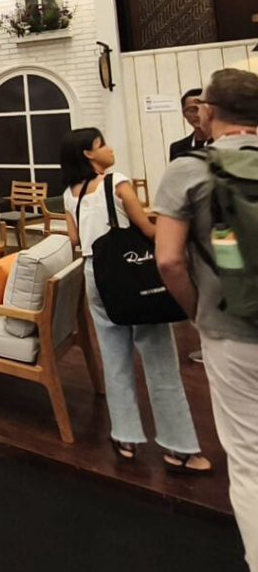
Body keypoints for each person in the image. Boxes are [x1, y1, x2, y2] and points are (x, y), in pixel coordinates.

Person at [155, 68, 258, 572]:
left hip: (231, 328)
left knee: (250, 459)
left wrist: (198, 314)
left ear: (208, 112)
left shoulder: (188, 170)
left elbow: (169, 260)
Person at [60, 127, 210, 472]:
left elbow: (74, 239)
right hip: (132, 274)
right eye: (102, 145)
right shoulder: (117, 182)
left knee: (114, 359)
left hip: (95, 275)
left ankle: (125, 437)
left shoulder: (69, 193)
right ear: (89, 154)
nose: (110, 149)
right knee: (159, 359)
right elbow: (147, 229)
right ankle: (180, 447)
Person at [170, 89, 211, 161]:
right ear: (184, 114)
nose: (198, 114)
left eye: (203, 109)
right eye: (192, 110)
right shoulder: (177, 148)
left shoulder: (225, 143)